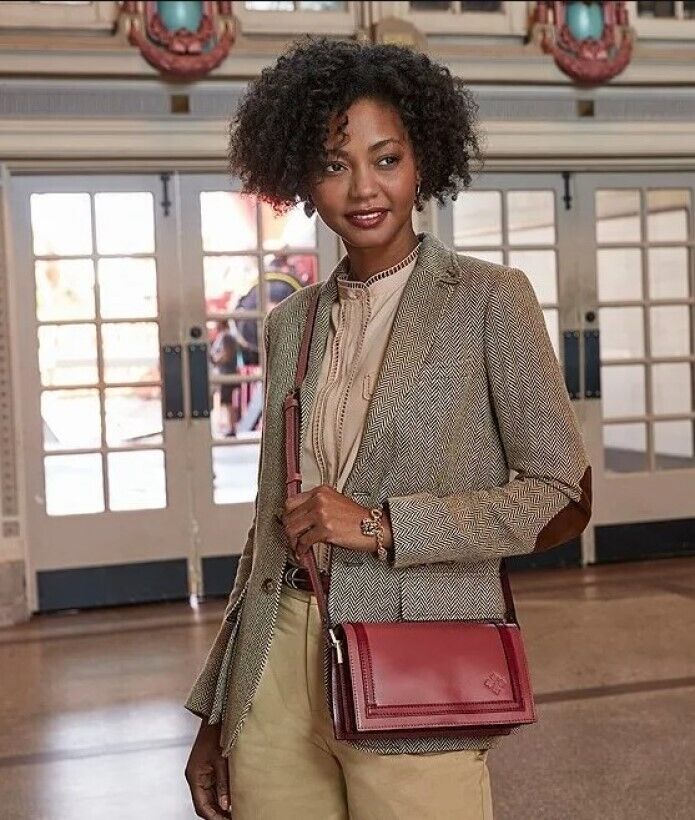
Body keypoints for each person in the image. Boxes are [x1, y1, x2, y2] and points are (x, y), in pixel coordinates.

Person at [184, 36, 592, 819]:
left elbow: (560, 494)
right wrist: (217, 710)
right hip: (277, 661)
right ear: (302, 180)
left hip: (414, 656)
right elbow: (267, 525)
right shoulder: (291, 323)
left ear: (421, 163)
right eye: (334, 165)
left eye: (386, 159)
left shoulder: (488, 300)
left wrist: (382, 526)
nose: (363, 188)